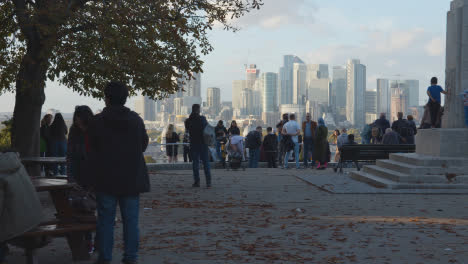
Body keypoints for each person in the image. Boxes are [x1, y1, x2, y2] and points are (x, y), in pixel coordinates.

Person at [88, 81, 150, 264]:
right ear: (125, 98)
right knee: (131, 221)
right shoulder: (135, 120)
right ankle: (131, 257)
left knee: (105, 221)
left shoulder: (97, 122)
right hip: (131, 177)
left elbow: (91, 149)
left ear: (106, 98)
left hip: (105, 177)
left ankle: (105, 257)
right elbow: (143, 145)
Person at [66, 105, 95, 252]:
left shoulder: (95, 130)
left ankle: (93, 240)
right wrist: (71, 178)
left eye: (81, 121)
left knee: (92, 208)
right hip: (79, 175)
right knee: (81, 209)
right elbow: (70, 156)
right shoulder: (74, 132)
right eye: (77, 121)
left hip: (94, 176)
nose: (79, 124)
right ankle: (87, 240)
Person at [185, 104, 212, 188]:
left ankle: (197, 182)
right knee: (206, 163)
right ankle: (208, 182)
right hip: (203, 143)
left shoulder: (187, 121)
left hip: (193, 143)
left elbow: (187, 131)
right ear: (198, 110)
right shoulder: (202, 119)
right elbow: (208, 129)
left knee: (195, 163)